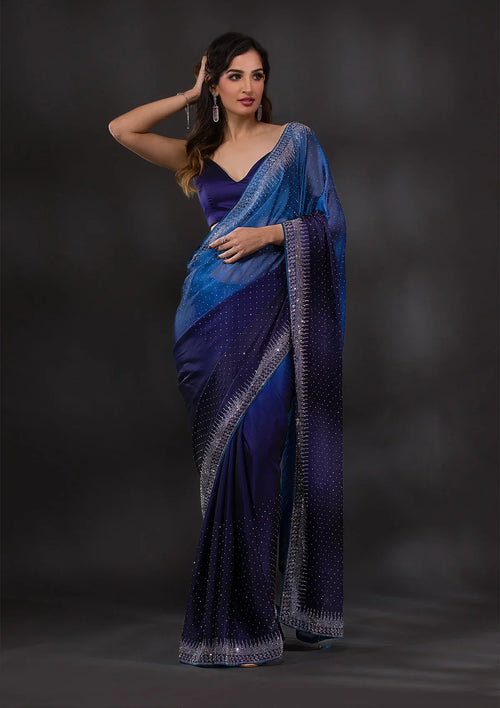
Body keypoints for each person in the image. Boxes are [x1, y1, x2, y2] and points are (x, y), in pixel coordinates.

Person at [108, 31, 346, 668]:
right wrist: (188, 95)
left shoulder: (295, 143)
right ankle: (243, 623)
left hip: (273, 319)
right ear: (214, 83)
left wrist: (269, 234)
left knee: (257, 454)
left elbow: (329, 221)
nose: (248, 87)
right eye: (234, 75)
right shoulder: (197, 153)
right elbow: (122, 129)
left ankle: (249, 617)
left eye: (257, 74)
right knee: (226, 466)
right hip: (206, 320)